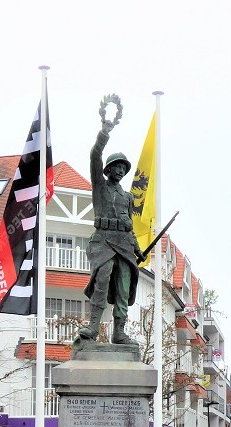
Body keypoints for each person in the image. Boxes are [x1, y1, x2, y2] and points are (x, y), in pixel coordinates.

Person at [77, 116, 146, 344]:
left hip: (124, 244)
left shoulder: (127, 197)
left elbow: (130, 227)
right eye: (116, 166)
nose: (119, 170)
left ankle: (119, 331)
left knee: (123, 288)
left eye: (122, 167)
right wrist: (104, 133)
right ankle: (93, 327)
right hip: (104, 241)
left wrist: (138, 250)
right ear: (107, 169)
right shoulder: (99, 187)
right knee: (102, 281)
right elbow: (94, 156)